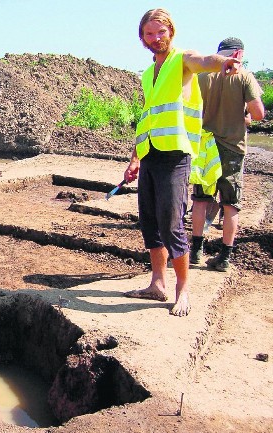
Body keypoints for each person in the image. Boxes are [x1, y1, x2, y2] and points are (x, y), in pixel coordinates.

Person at [122, 8, 242, 316]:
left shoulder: (182, 60)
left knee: (171, 223)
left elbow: (205, 62)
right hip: (150, 155)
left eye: (161, 32)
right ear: (142, 38)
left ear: (170, 32)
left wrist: (223, 63)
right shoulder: (148, 74)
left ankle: (182, 290)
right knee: (150, 221)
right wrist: (135, 158)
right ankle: (157, 283)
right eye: (150, 34)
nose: (156, 38)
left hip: (175, 156)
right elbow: (147, 119)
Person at [189, 37, 265, 271]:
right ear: (239, 53)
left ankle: (195, 251)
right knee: (230, 204)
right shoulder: (244, 77)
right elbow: (259, 113)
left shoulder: (203, 77)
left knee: (200, 199)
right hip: (232, 147)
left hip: (205, 146)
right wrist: (245, 116)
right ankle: (224, 257)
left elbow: (192, 109)